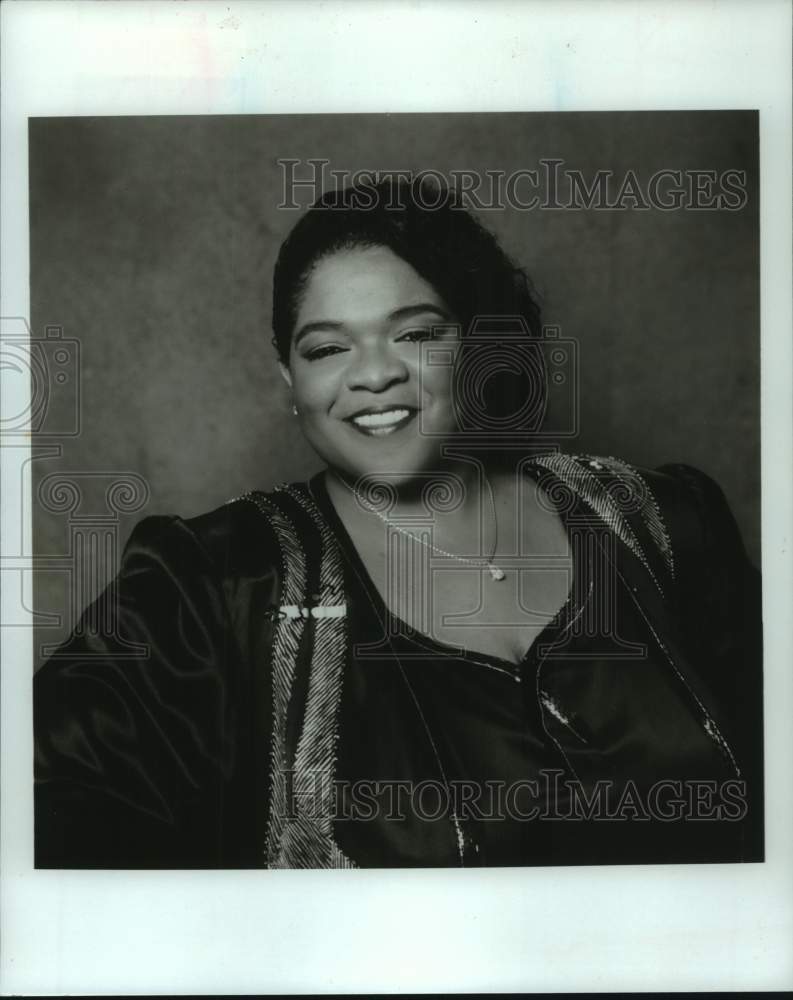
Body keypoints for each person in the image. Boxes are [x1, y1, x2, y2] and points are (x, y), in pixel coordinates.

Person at [34, 177, 763, 869]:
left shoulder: (661, 523)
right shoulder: (212, 583)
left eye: (413, 335)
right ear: (290, 382)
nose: (372, 374)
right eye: (326, 348)